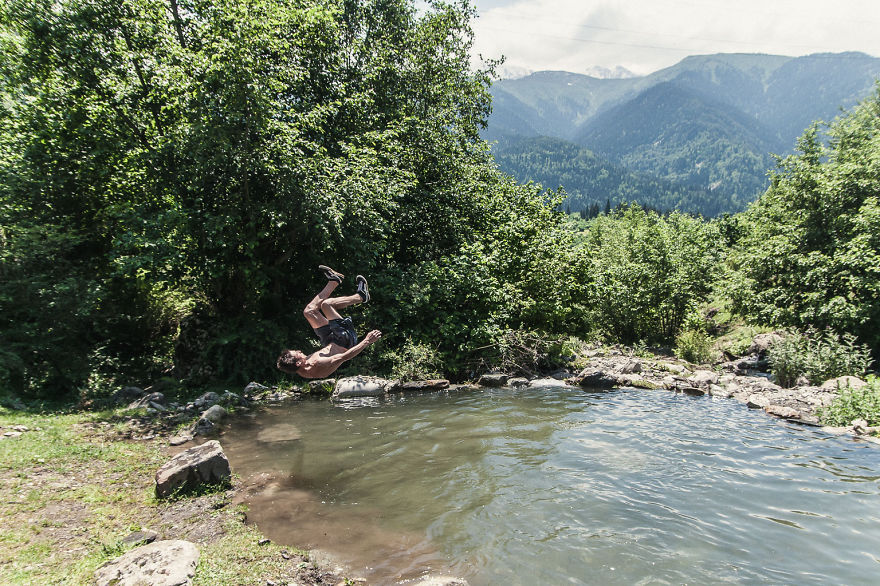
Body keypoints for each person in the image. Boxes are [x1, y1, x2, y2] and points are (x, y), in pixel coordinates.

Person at [276, 265, 382, 379]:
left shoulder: (299, 366)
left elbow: (288, 364)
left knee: (309, 312)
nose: (300, 351)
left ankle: (334, 280)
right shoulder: (318, 364)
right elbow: (345, 357)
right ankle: (361, 296)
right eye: (298, 353)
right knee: (327, 305)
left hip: (328, 341)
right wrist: (367, 341)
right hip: (345, 341)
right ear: (298, 363)